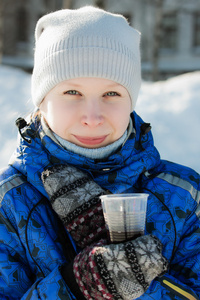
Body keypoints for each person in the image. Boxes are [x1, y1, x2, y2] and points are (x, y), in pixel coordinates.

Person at [0, 5, 200, 300]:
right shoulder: (9, 202)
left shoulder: (185, 194)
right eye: (72, 93)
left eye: (111, 94)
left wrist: (128, 274)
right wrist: (78, 285)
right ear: (42, 101)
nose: (92, 117)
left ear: (131, 101)